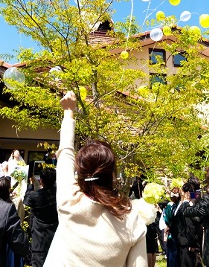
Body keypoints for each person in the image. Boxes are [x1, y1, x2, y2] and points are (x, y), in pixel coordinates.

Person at [44, 91, 147, 266]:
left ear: (80, 174)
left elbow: (65, 155)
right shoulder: (131, 219)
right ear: (113, 175)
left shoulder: (69, 202)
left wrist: (69, 112)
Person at [23, 167, 59, 267]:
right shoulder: (58, 193)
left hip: (40, 237)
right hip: (56, 233)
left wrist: (31, 185)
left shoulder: (35, 196)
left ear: (41, 180)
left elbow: (26, 201)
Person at [169, 182, 202, 267]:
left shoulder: (187, 206)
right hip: (181, 240)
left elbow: (190, 226)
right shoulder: (182, 204)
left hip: (186, 241)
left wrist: (193, 243)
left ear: (184, 192)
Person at [162, 187, 181, 267]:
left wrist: (168, 225)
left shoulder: (171, 206)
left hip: (173, 233)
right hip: (178, 233)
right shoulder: (179, 205)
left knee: (172, 256)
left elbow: (167, 219)